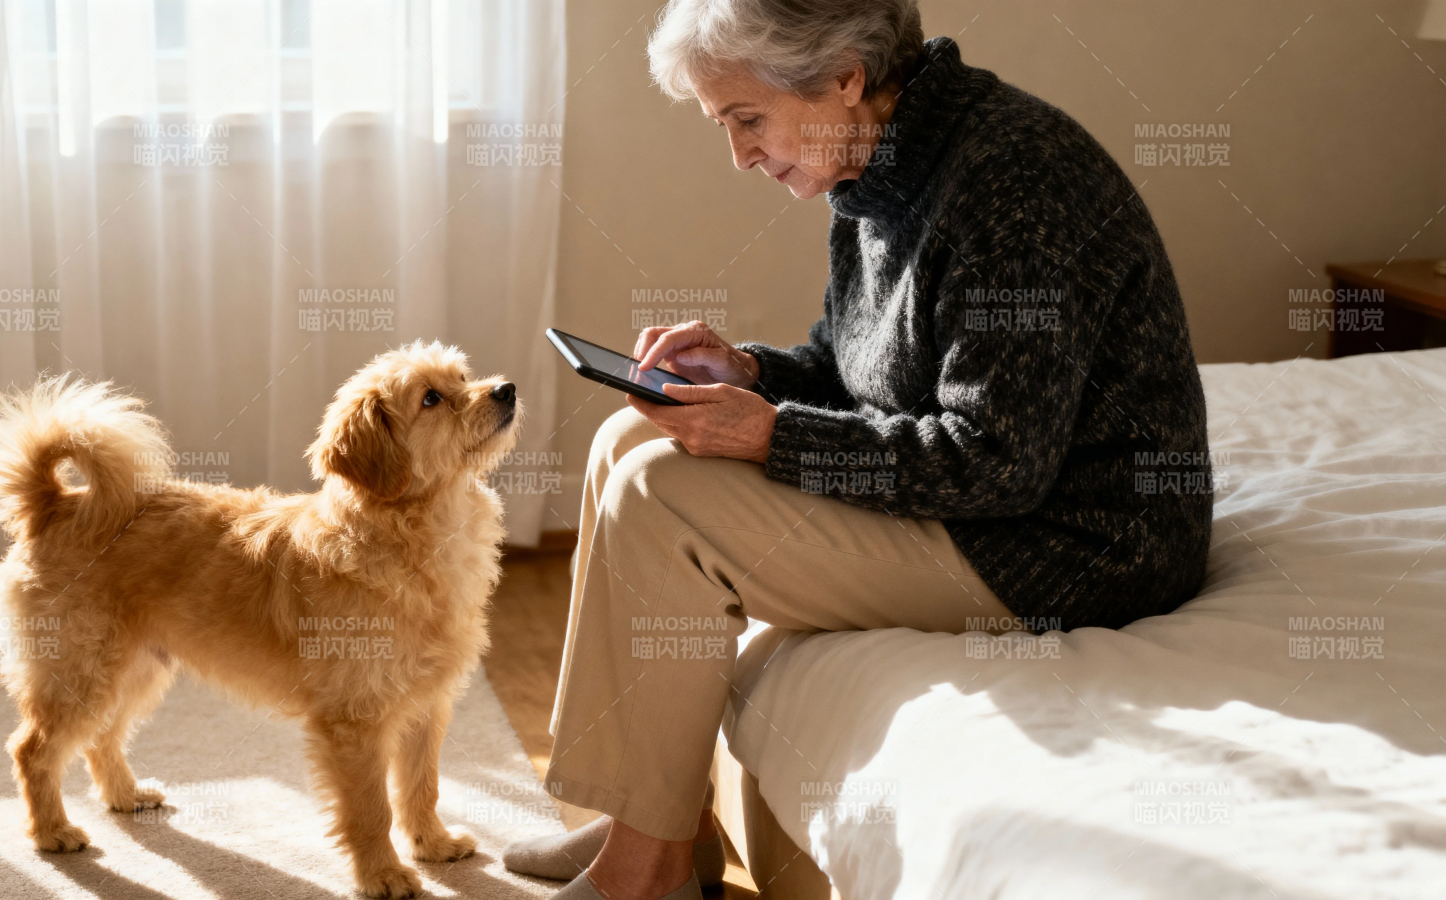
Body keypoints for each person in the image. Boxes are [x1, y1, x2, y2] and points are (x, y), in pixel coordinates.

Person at [504, 1, 1212, 897]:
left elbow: (998, 461)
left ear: (843, 76)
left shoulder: (1013, 182)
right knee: (627, 436)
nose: (741, 156)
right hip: (989, 501)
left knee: (661, 494)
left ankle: (644, 879)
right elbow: (857, 373)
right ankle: (656, 831)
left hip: (1069, 542)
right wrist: (752, 372)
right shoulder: (873, 164)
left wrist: (773, 433)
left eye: (747, 120)